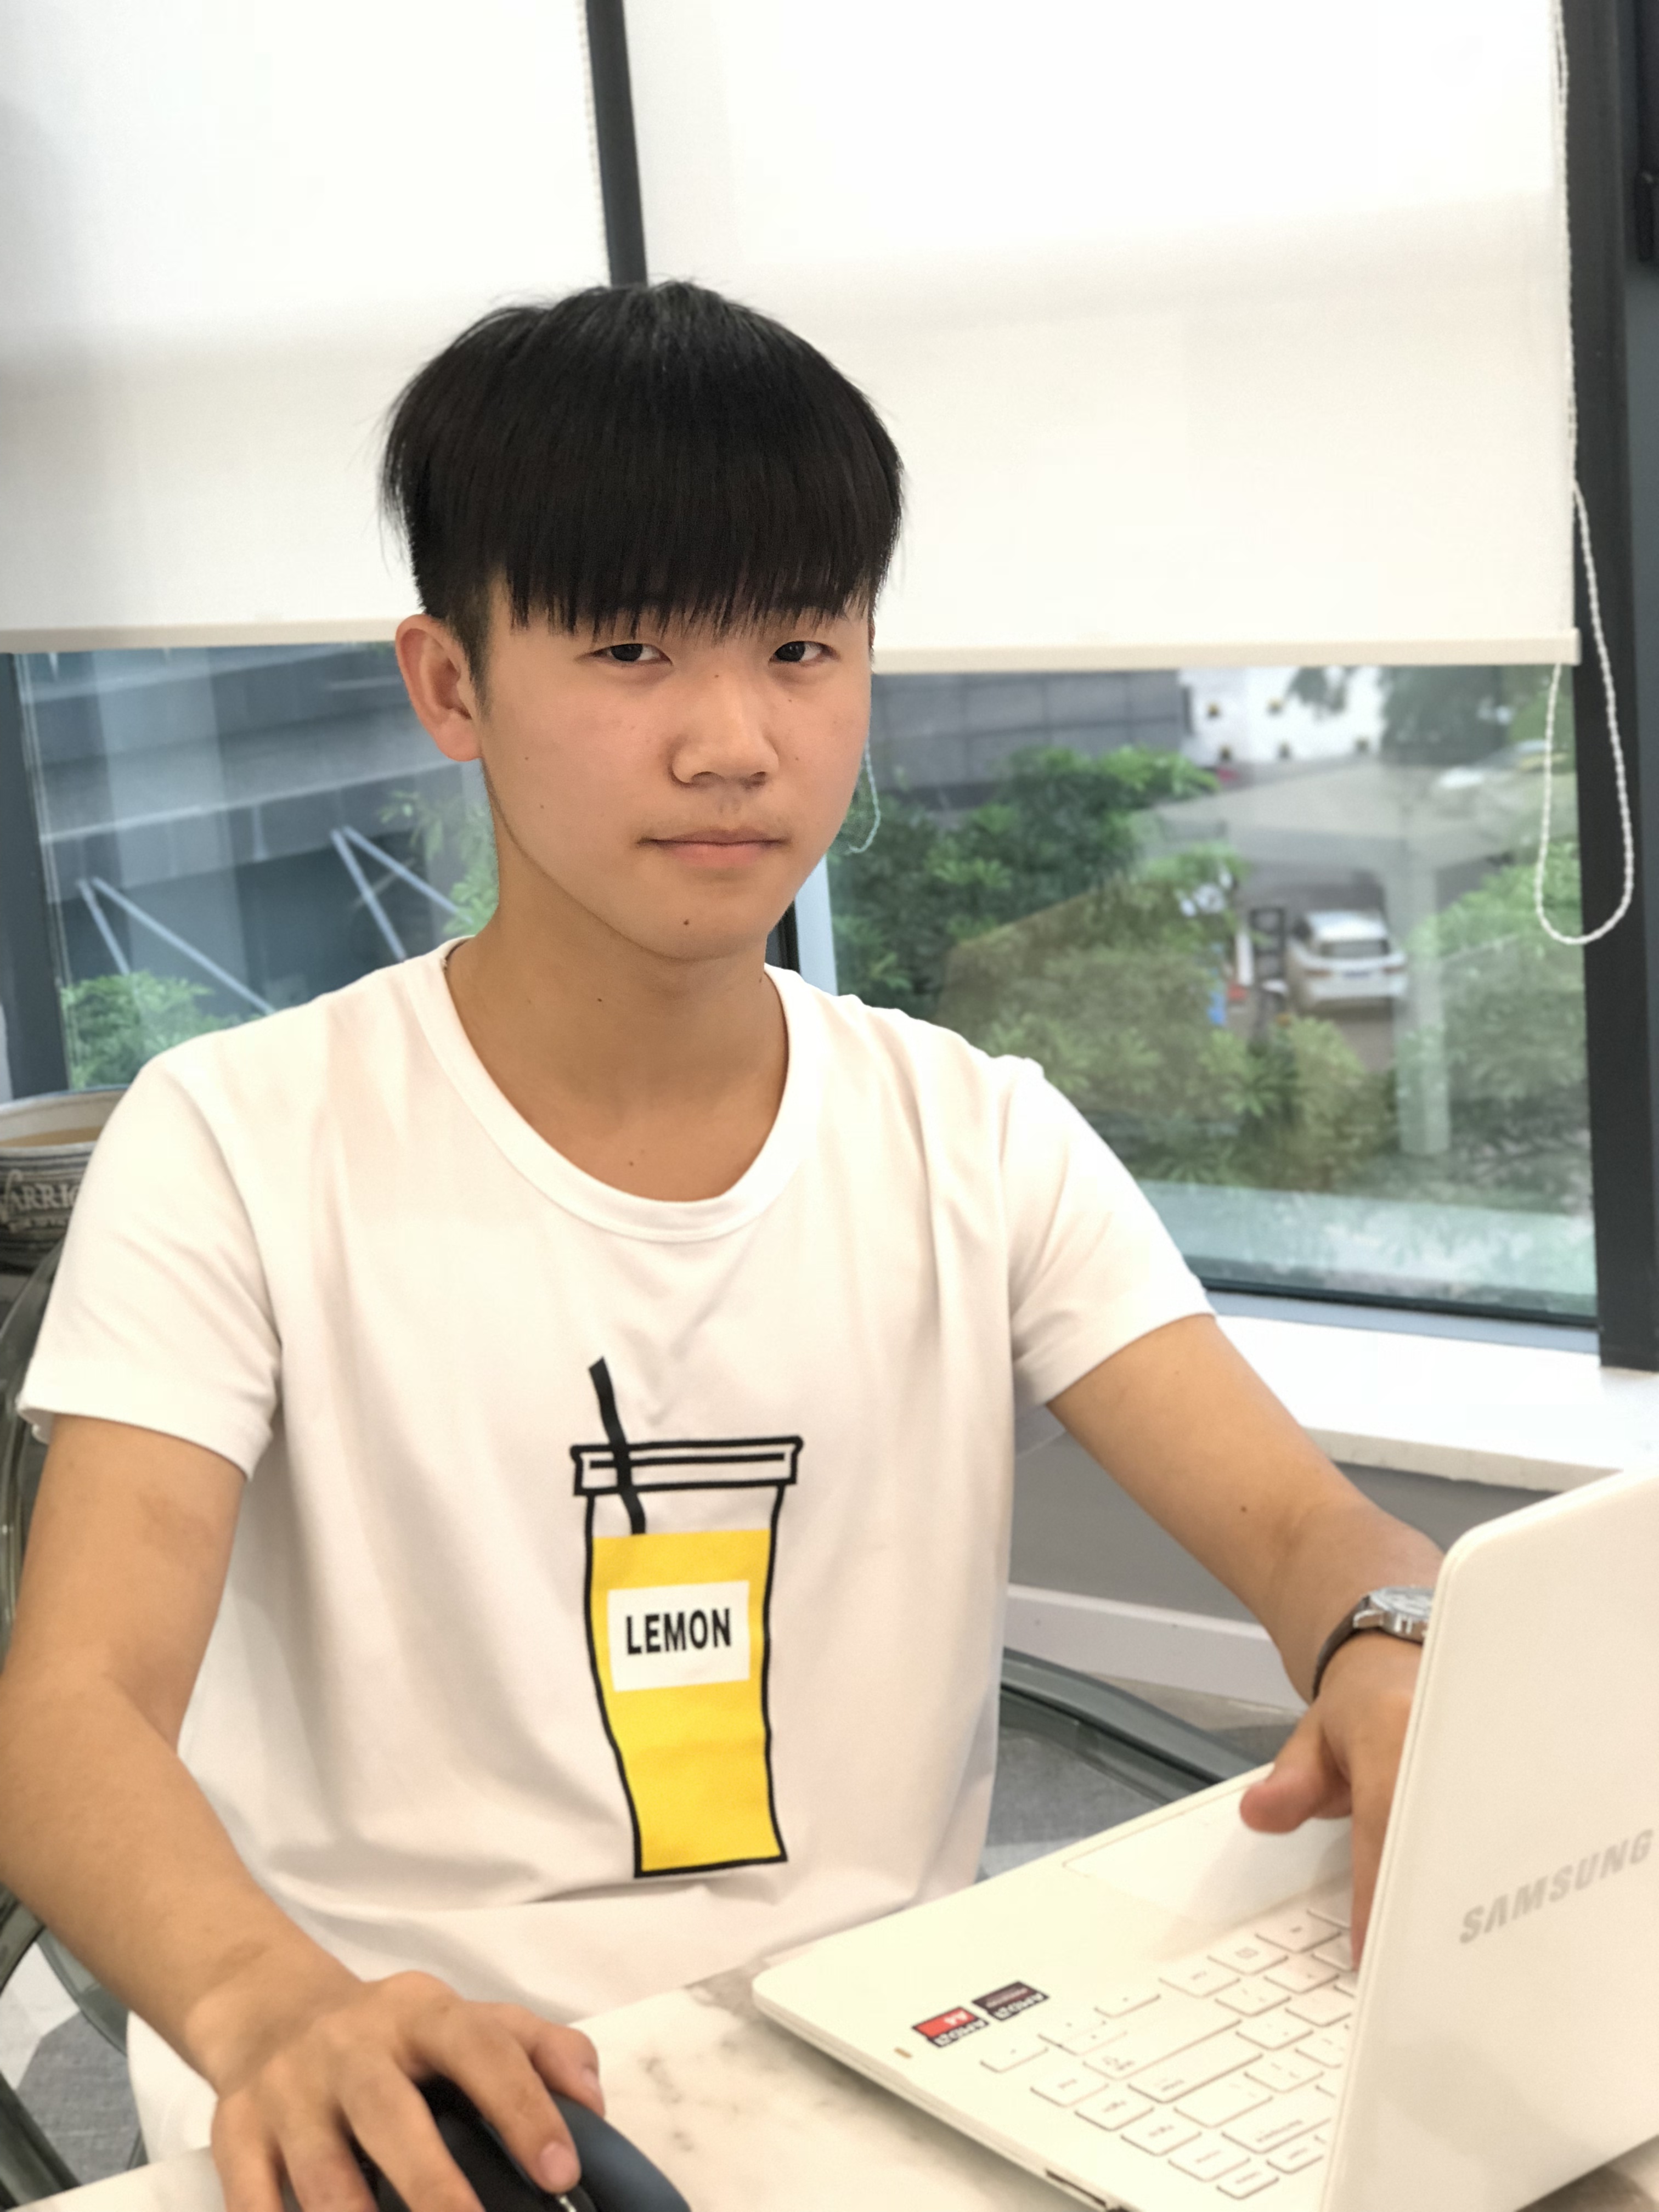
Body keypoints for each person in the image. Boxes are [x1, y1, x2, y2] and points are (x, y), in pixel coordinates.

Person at [0, 283, 1438, 2212]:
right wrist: (268, 2005)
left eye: (800, 647)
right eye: (628, 649)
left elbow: (1306, 1530)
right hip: (401, 2090)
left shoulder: (974, 1133)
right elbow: (68, 1711)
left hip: (881, 2076)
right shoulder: (239, 1141)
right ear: (450, 684)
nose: (733, 742)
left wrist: (1391, 1640)